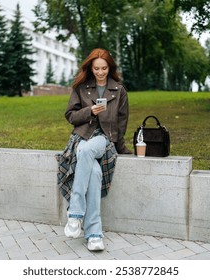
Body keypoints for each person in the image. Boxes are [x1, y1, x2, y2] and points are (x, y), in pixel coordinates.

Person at [56, 48, 131, 251]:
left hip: (104, 139)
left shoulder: (119, 90)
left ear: (110, 68)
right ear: (91, 68)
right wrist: (89, 111)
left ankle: (75, 213)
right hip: (81, 138)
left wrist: (121, 146)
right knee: (95, 174)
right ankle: (94, 235)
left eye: (104, 68)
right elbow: (70, 115)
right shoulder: (81, 88)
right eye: (96, 68)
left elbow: (122, 121)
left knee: (88, 151)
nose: (100, 72)